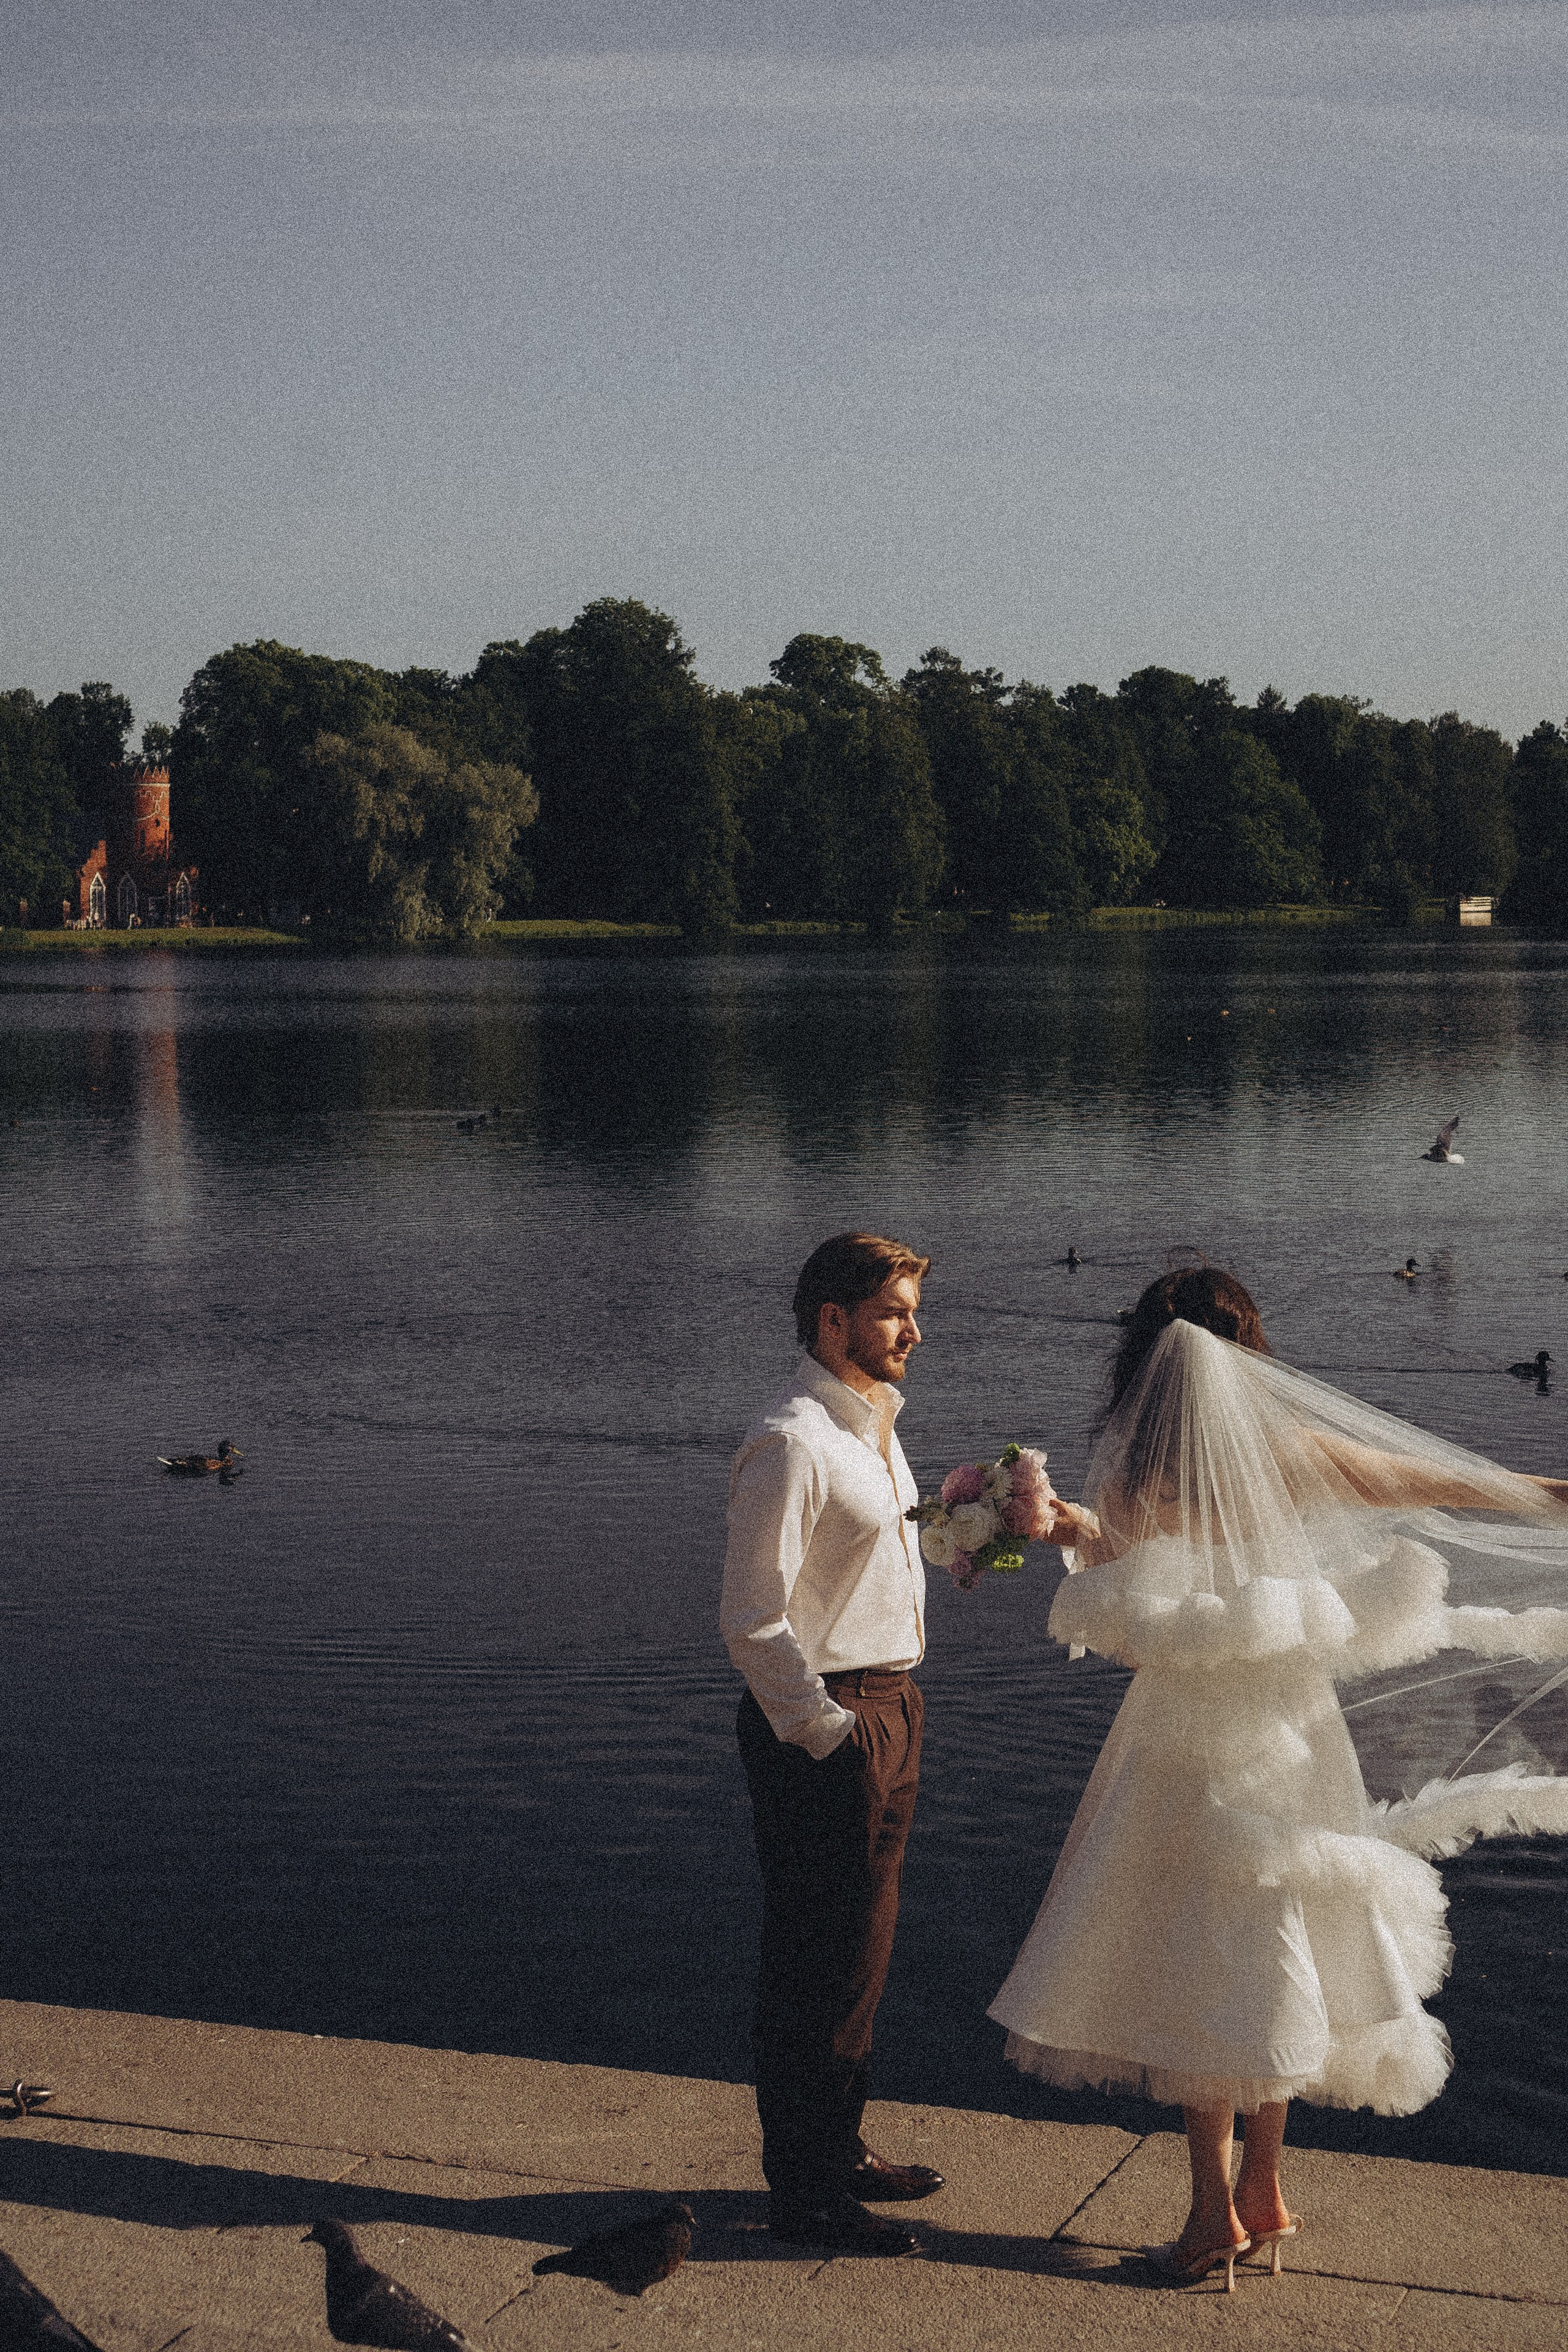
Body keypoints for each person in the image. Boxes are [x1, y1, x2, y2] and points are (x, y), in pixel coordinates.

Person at [989, 1265, 1568, 2290]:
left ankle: (1215, 2214)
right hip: (1294, 1736)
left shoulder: (1134, 1472)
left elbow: (1128, 1597)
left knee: (1203, 1961)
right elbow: (1471, 1489)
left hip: (1178, 1741)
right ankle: (1261, 2190)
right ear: (1249, 1354)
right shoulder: (1295, 1455)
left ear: (1143, 1358)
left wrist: (1068, 1527)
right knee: (1283, 1940)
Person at [721, 1231, 943, 2253]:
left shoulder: (875, 1429)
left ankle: (838, 2148)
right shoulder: (794, 1439)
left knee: (863, 1953)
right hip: (832, 1720)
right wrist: (827, 1733)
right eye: (893, 1311)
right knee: (813, 1960)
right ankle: (802, 2193)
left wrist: (967, 1530)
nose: (912, 1329)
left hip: (892, 1703)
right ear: (833, 1322)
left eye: (909, 1309)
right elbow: (752, 1619)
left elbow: (868, 1566)